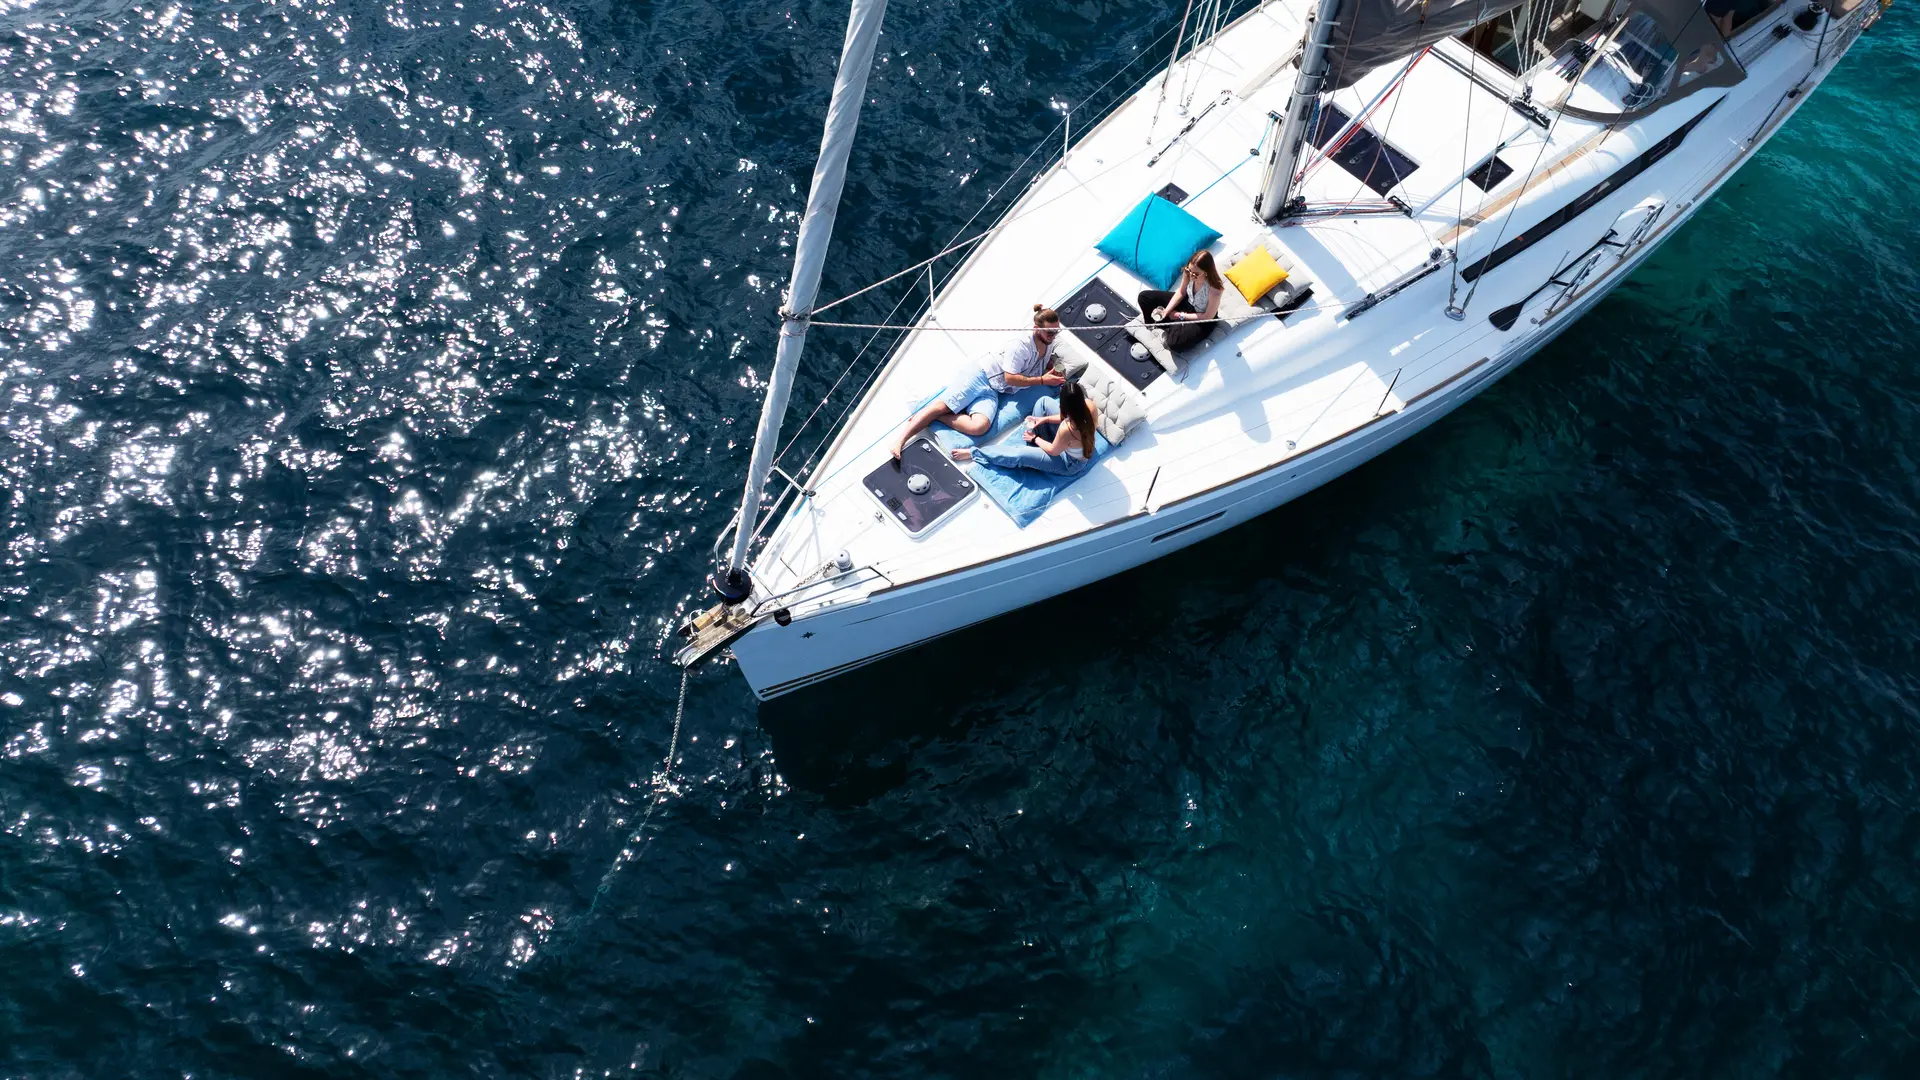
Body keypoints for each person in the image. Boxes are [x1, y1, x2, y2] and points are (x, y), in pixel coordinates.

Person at [887, 305, 1065, 460]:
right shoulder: (1019, 345)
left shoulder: (1048, 343)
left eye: (1056, 332)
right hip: (981, 375)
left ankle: (932, 415)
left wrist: (1048, 367)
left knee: (980, 427)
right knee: (941, 406)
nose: (1053, 336)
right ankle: (901, 440)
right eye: (1050, 332)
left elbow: (1023, 373)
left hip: (995, 390)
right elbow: (1010, 377)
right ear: (1036, 328)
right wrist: (1042, 380)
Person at [950, 381, 1098, 476]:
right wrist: (1044, 419)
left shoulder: (1067, 428)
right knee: (1043, 402)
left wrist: (1035, 438)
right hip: (1072, 442)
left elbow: (1054, 450)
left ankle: (974, 453)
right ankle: (1033, 444)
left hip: (1068, 462)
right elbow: (1072, 418)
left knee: (1019, 454)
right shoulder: (1089, 405)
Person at [1137, 250, 1224, 352]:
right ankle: (1161, 323)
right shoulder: (1188, 273)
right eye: (1189, 270)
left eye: (1195, 274)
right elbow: (1181, 292)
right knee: (1144, 297)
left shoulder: (1215, 290)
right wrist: (1167, 311)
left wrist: (1179, 315)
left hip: (1202, 319)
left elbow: (1207, 316)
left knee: (1174, 343)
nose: (1191, 276)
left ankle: (1172, 325)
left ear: (1206, 272)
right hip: (1187, 303)